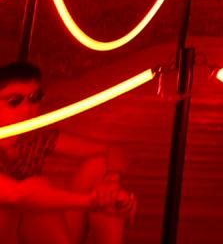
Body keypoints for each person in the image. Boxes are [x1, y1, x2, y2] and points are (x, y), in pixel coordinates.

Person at [0, 61, 137, 242]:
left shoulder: (35, 139)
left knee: (99, 165)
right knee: (37, 190)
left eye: (35, 97)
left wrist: (111, 183)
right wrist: (94, 201)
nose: (27, 109)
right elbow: (18, 195)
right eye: (14, 101)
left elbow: (114, 150)